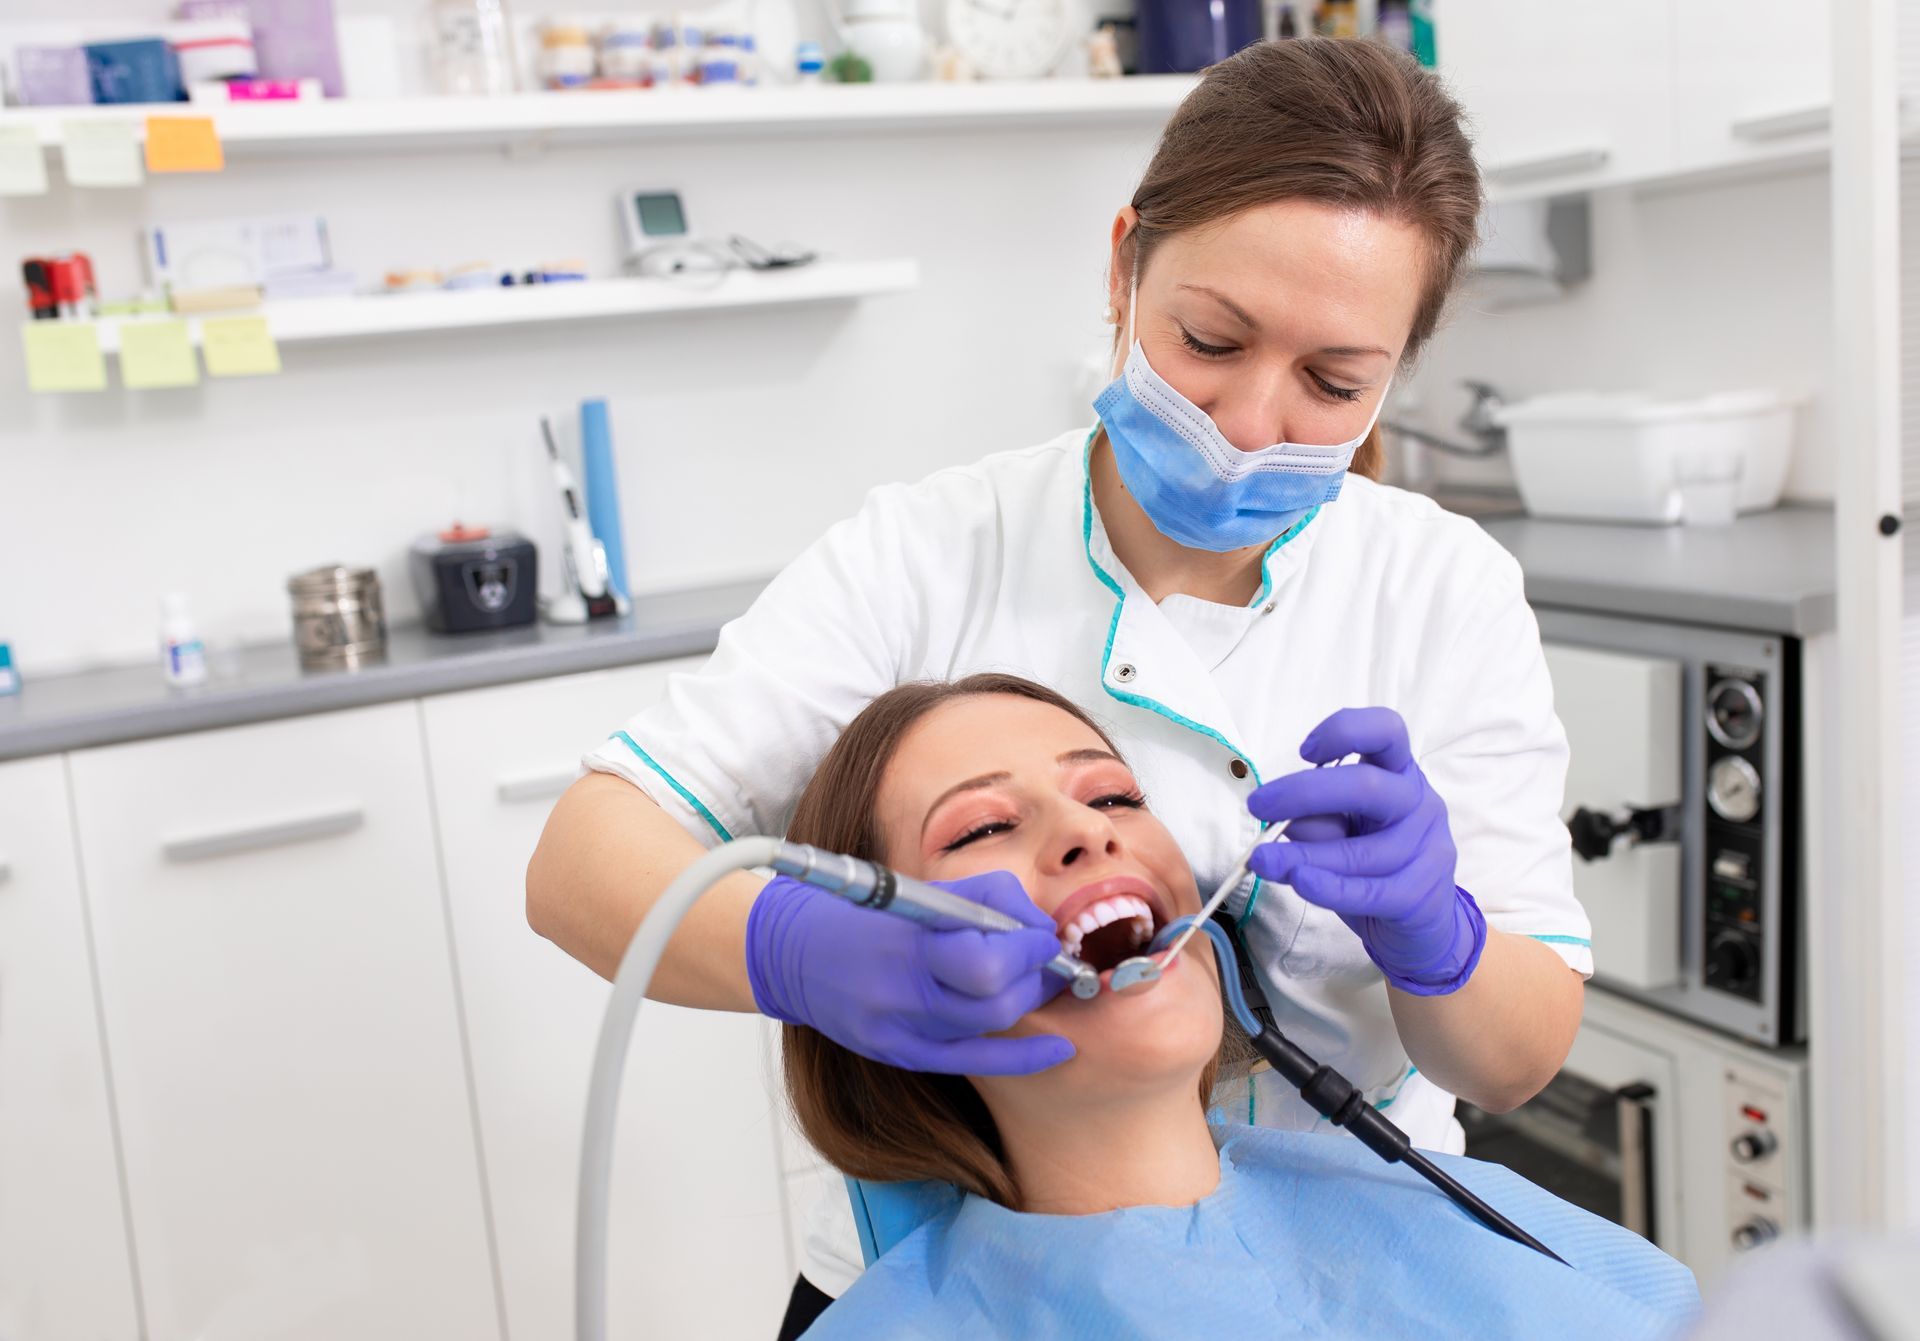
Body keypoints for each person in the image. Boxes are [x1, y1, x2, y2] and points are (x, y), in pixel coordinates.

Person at [528, 36, 1592, 1328]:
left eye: (1332, 383)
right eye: (1211, 336)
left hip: (1347, 1270)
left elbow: (1518, 1050)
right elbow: (584, 862)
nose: (1251, 422)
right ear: (1123, 263)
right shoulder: (925, 555)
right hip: (965, 1267)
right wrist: (795, 951)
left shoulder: (1443, 590)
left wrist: (1445, 940)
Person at [779, 675, 1699, 1340]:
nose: (1089, 829)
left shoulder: (1460, 1229)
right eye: (981, 827)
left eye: (1114, 794)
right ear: (872, 990)